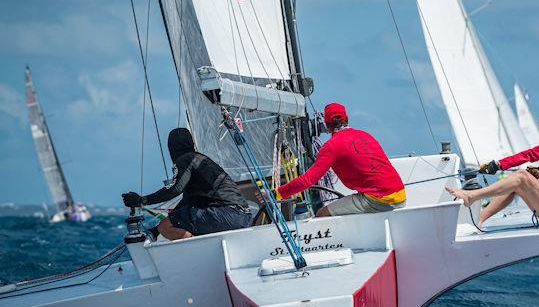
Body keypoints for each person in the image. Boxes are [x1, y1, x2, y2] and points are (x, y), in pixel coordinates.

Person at [446, 104, 539, 227]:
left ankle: (472, 196)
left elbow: (531, 154)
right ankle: (479, 220)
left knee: (521, 176)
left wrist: (499, 165)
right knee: (516, 182)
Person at [276, 102, 406, 217]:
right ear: (347, 119)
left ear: (326, 125)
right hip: (400, 195)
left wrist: (277, 193)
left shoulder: (331, 146)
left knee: (322, 214)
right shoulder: (365, 135)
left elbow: (308, 180)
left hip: (379, 199)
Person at [122, 128, 252, 240]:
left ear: (172, 147)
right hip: (243, 217)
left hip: (226, 213)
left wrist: (141, 200)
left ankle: (199, 255)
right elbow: (186, 202)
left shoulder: (185, 160)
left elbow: (174, 189)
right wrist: (155, 231)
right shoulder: (200, 161)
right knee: (166, 224)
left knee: (165, 226)